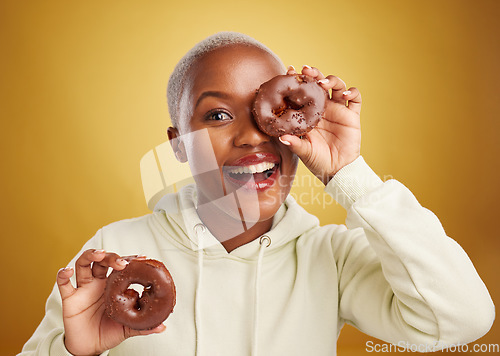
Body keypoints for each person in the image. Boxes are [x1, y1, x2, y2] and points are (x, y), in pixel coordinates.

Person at [20, 31, 494, 356]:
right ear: (178, 146)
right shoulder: (114, 254)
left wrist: (348, 174)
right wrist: (70, 350)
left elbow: (462, 319)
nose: (251, 138)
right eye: (218, 116)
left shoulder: (331, 257)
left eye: (263, 112)